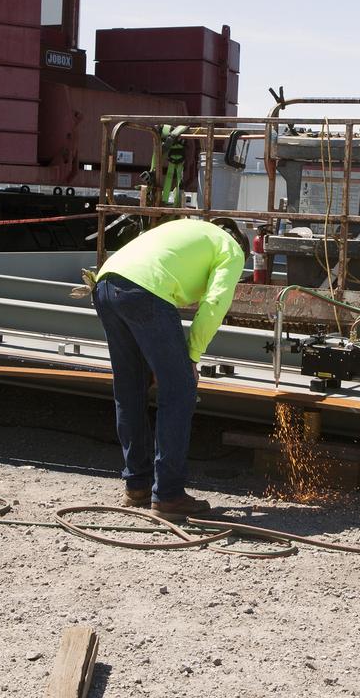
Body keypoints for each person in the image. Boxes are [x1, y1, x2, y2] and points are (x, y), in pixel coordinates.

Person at [93, 217, 246, 519]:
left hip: (106, 284)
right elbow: (214, 304)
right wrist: (192, 356)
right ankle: (168, 495)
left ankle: (136, 484)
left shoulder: (190, 228)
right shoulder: (231, 250)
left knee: (131, 387)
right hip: (145, 291)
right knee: (179, 391)